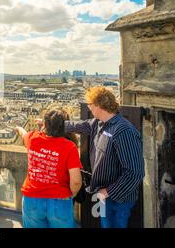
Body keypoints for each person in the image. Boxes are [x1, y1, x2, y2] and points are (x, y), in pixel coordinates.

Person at [64, 86, 145, 228]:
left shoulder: (123, 131)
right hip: (104, 194)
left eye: (90, 104)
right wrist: (55, 124)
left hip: (119, 198)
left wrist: (108, 192)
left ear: (99, 105)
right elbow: (80, 125)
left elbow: (135, 172)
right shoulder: (99, 123)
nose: (89, 108)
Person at [15, 109, 83, 228]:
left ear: (44, 125)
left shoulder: (32, 138)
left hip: (32, 198)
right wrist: (72, 193)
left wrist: (18, 128)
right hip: (59, 200)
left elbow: (23, 134)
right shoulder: (69, 147)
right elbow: (76, 181)